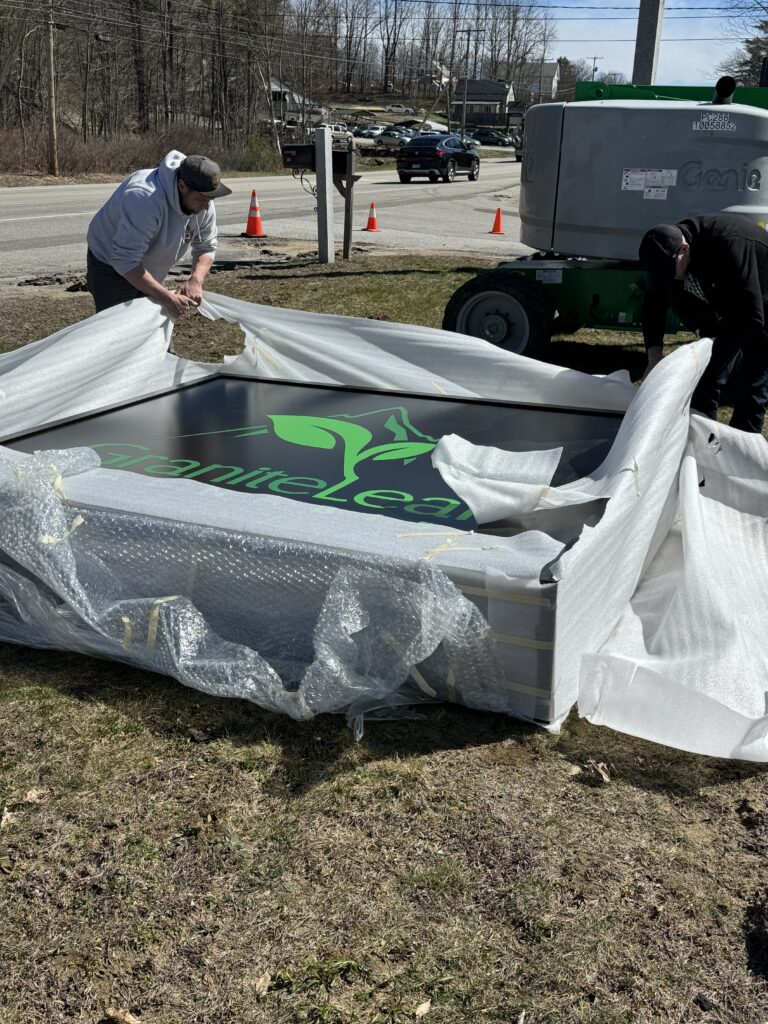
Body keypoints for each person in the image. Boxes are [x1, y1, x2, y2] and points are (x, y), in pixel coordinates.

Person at [639, 214, 768, 433]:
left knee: (751, 378)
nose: (668, 280)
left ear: (684, 250)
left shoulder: (728, 245)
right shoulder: (663, 253)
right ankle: (701, 441)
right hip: (727, 298)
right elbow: (654, 303)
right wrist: (654, 357)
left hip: (761, 300)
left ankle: (742, 449)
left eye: (671, 273)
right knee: (705, 377)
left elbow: (751, 318)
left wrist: (714, 359)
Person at [86, 150, 232, 318]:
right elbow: (125, 260)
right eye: (201, 199)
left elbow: (206, 246)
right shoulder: (145, 198)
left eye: (210, 199)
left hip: (146, 266)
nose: (206, 207)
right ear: (182, 186)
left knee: (152, 327)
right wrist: (167, 297)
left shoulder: (203, 201)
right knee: (118, 332)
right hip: (111, 265)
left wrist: (196, 279)